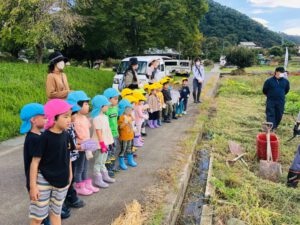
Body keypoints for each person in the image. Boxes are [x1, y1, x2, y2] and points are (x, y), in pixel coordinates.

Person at [28, 99, 73, 225]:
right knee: (38, 217)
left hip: (62, 180)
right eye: (65, 116)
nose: (69, 119)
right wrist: (33, 186)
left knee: (56, 213)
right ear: (54, 118)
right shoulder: (43, 138)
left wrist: (70, 174)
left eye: (69, 116)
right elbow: (35, 162)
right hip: (44, 180)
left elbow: (67, 156)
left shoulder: (67, 135)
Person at [20, 103, 52, 225]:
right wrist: (32, 187)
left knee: (43, 210)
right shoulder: (33, 139)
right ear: (33, 120)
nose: (46, 119)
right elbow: (35, 164)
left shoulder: (39, 135)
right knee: (38, 214)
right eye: (43, 117)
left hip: (42, 180)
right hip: (36, 182)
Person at [68, 91, 99, 195]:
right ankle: (79, 185)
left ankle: (86, 183)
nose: (88, 106)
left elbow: (87, 130)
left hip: (86, 146)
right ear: (77, 105)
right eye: (85, 104)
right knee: (79, 167)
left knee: (85, 166)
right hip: (81, 147)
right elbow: (78, 135)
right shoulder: (74, 119)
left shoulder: (84, 117)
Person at [91, 95, 116, 188]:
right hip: (100, 144)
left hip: (106, 142)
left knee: (103, 160)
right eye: (106, 105)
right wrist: (102, 144)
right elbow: (99, 132)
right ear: (101, 106)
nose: (108, 106)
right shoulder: (97, 118)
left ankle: (104, 176)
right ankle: (98, 179)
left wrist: (110, 142)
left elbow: (107, 131)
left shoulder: (104, 116)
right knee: (98, 161)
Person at [103, 88, 121, 177]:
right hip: (108, 135)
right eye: (115, 98)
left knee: (113, 150)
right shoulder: (105, 111)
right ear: (108, 99)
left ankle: (112, 166)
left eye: (117, 98)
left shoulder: (115, 109)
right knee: (108, 151)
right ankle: (107, 169)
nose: (117, 100)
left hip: (115, 133)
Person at [118, 99, 138, 170]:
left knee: (130, 148)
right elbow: (120, 127)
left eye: (130, 109)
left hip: (130, 136)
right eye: (128, 109)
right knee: (123, 150)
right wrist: (124, 122)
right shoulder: (121, 117)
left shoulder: (129, 115)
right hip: (124, 137)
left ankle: (130, 160)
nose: (130, 110)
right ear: (124, 109)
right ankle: (121, 162)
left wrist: (131, 115)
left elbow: (133, 119)